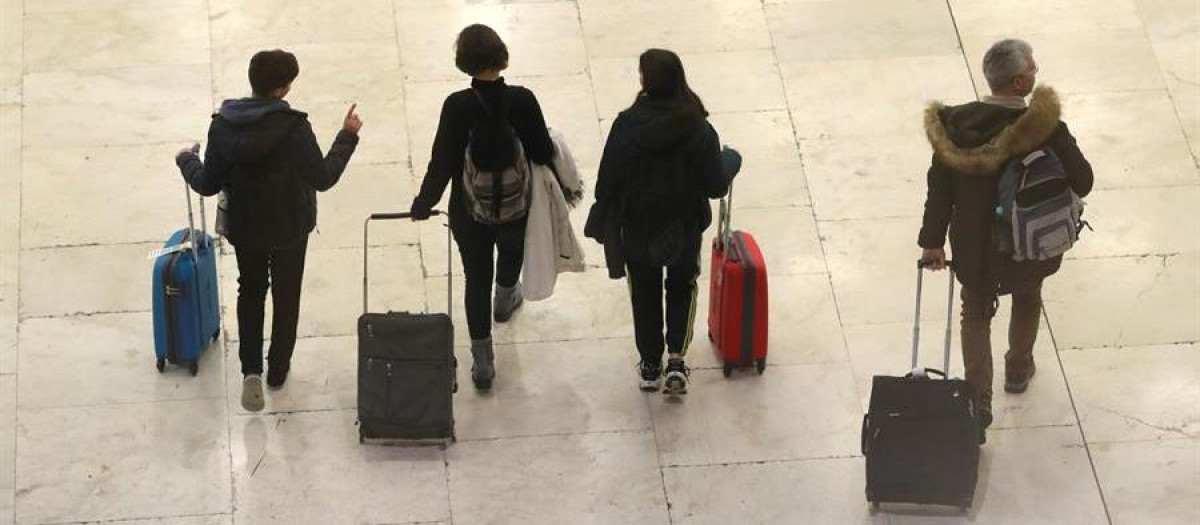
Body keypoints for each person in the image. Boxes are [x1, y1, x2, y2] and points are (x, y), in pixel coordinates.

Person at [918, 39, 1093, 436]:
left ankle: (978, 400)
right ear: (1018, 82)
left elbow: (939, 190)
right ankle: (1018, 368)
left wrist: (932, 241)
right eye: (1032, 67)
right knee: (1028, 297)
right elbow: (1084, 180)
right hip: (1027, 246)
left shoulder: (953, 128)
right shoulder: (1045, 127)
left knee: (975, 313)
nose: (1036, 71)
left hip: (975, 247)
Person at [174, 49, 362, 412]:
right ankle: (278, 370)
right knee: (287, 294)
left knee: (251, 291)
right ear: (283, 89)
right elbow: (322, 178)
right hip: (290, 226)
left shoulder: (222, 125)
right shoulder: (293, 128)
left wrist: (186, 161)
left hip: (245, 227)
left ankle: (251, 372)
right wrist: (347, 136)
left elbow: (209, 184)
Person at [587, 49, 741, 396]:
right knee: (682, 285)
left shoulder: (626, 125)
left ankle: (650, 363)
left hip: (637, 228)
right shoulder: (699, 128)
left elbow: (605, 183)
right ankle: (676, 358)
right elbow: (716, 185)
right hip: (683, 227)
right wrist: (730, 159)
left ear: (645, 82)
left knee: (643, 292)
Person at [409, 24, 554, 390]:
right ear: (501, 56)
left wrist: (423, 203)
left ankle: (483, 363)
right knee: (510, 252)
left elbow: (441, 163)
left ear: (464, 61)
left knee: (476, 277)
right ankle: (505, 299)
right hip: (515, 206)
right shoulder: (522, 99)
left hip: (468, 210)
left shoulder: (457, 106)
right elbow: (541, 151)